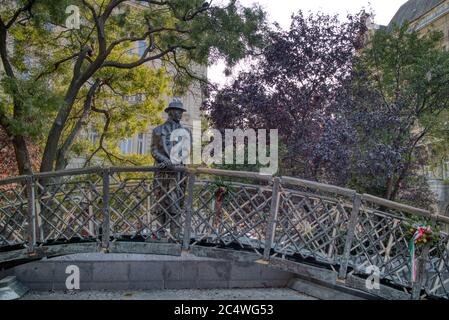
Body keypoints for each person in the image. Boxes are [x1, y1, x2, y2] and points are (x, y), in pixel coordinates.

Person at [150, 99, 190, 240]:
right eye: (177, 111)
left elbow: (186, 152)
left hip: (178, 172)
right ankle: (159, 234)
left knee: (175, 202)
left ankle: (175, 235)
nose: (180, 114)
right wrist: (164, 160)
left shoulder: (186, 132)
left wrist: (173, 162)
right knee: (160, 202)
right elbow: (154, 150)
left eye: (181, 112)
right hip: (161, 171)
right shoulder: (157, 130)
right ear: (170, 112)